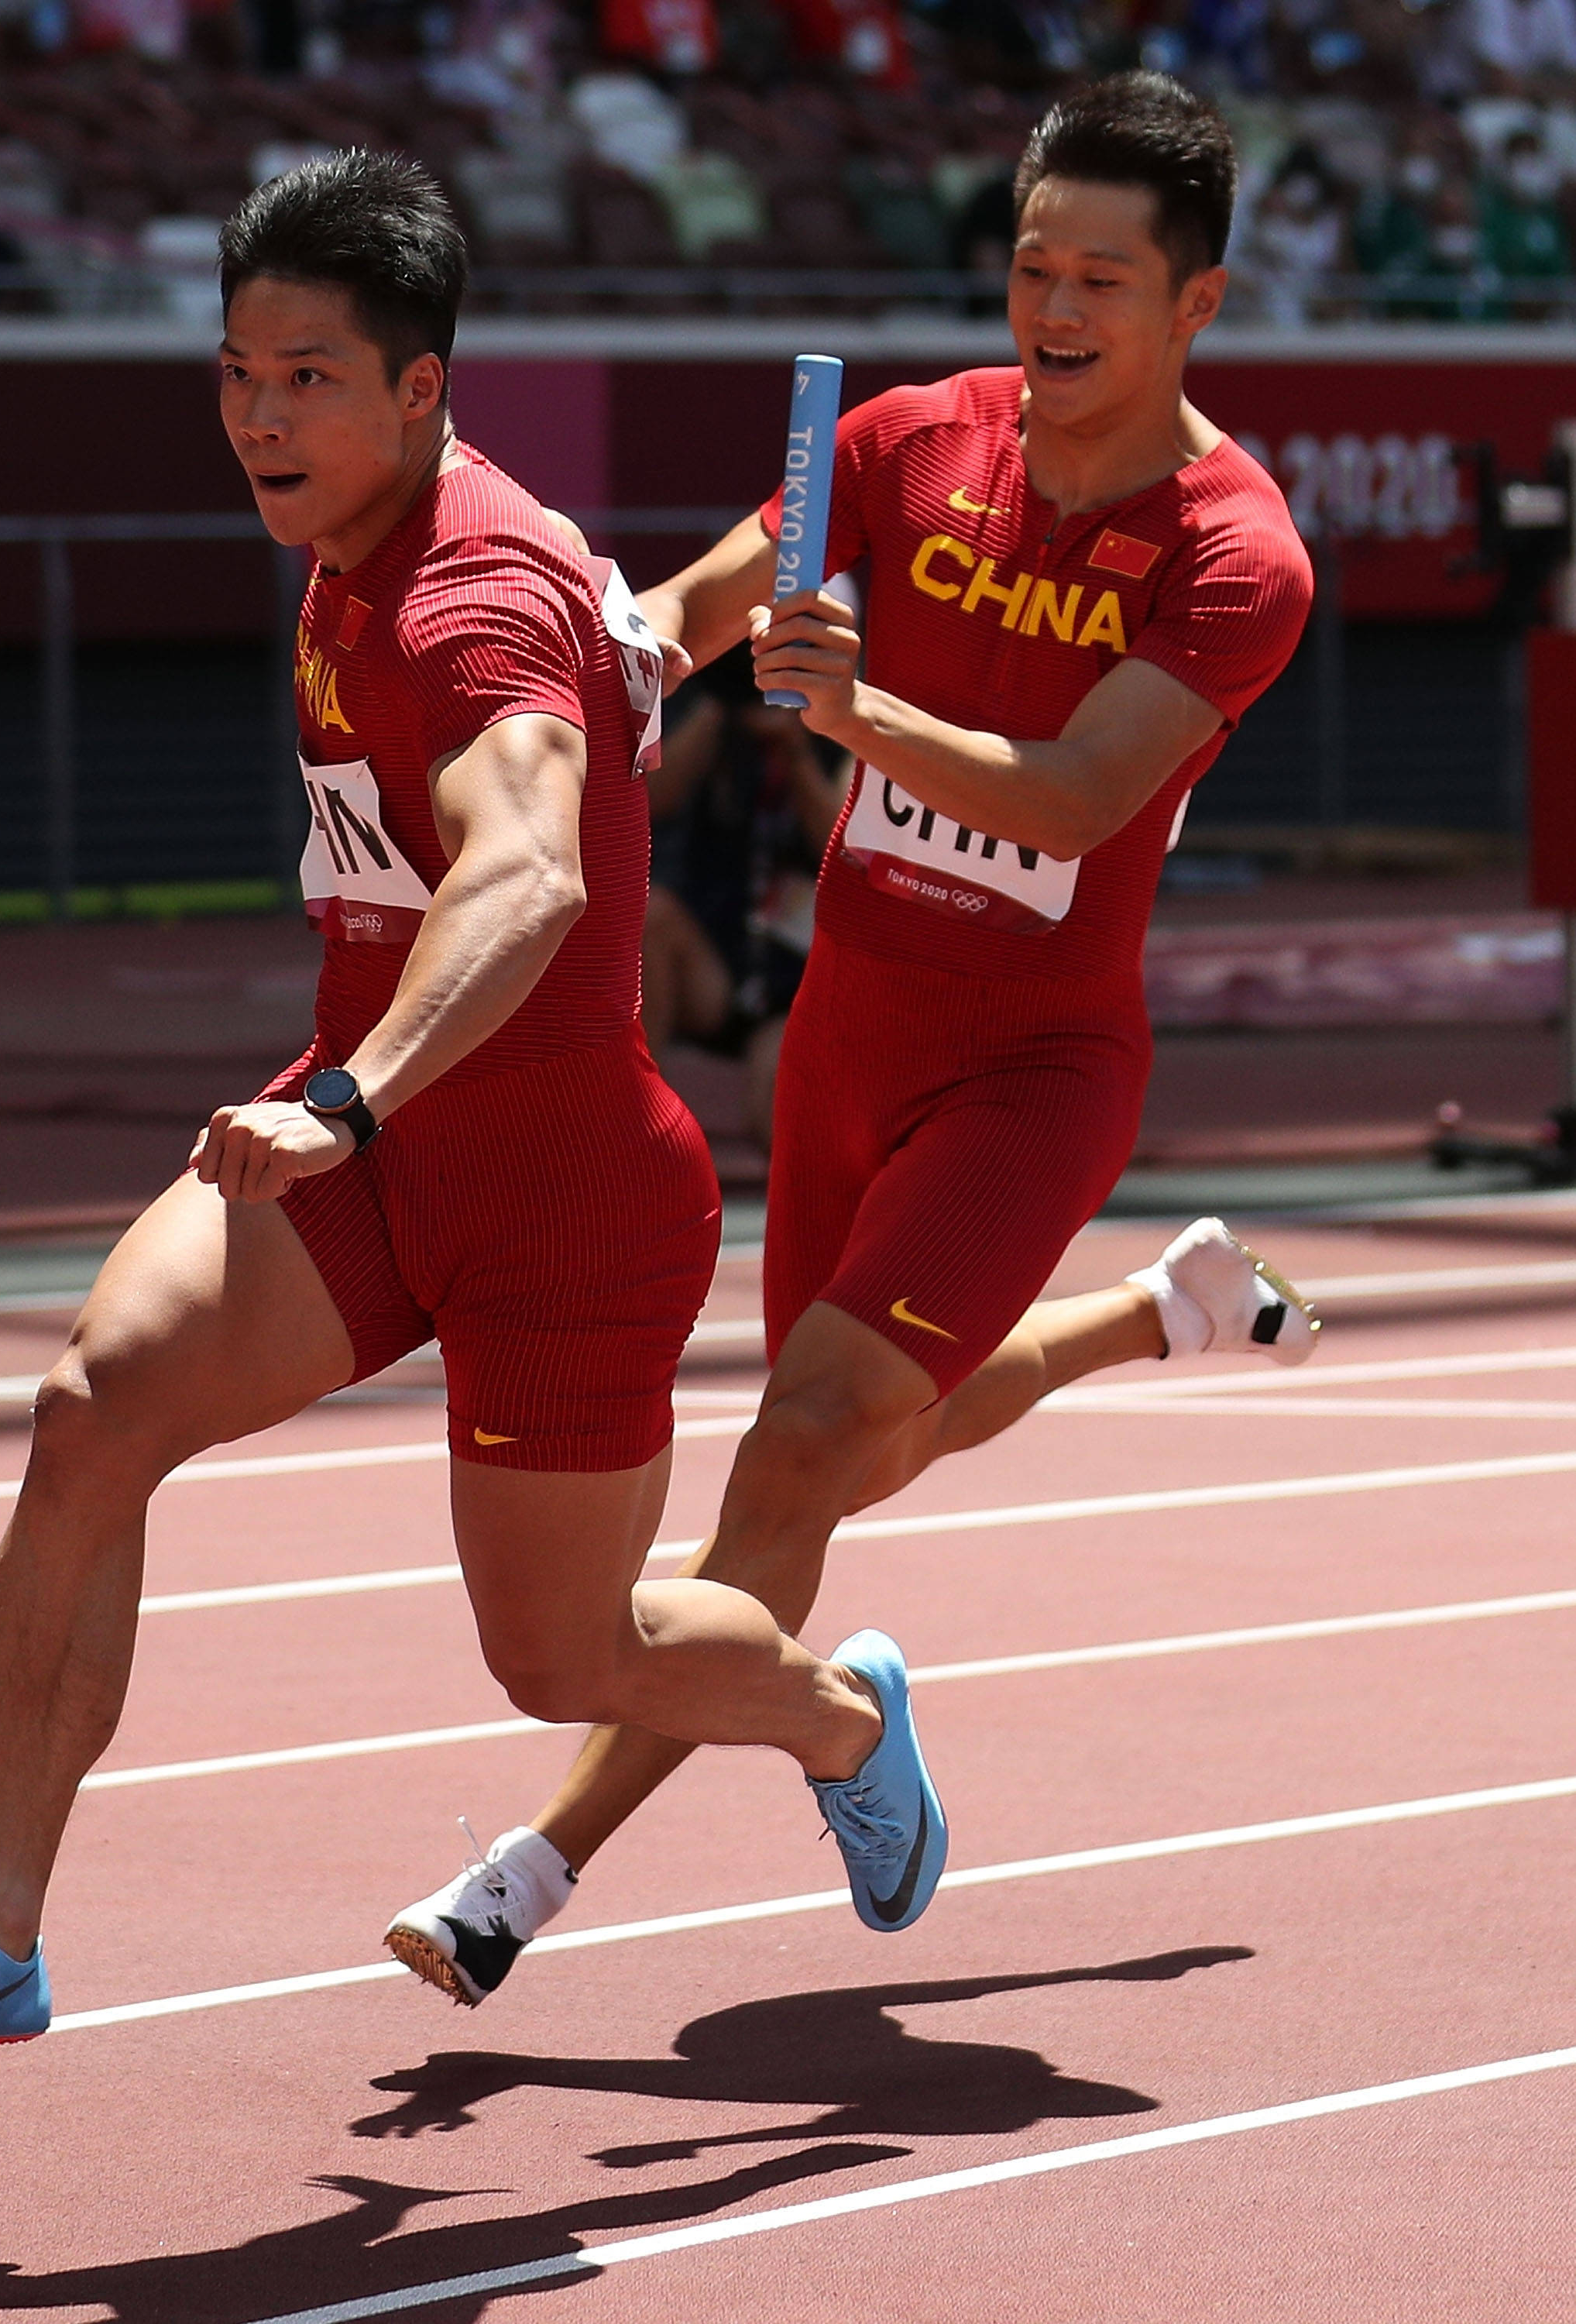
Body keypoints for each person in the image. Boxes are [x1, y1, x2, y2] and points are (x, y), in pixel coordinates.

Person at [0, 150, 943, 2075]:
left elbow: (527, 879)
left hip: (553, 1194)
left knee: (560, 1660)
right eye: (237, 369)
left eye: (306, 375)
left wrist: (349, 1095)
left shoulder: (468, 597)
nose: (256, 413)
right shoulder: (396, 540)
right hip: (363, 1153)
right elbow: (578, 690)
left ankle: (837, 1714)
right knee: (93, 1410)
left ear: (422, 388)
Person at [386, 71, 1319, 2009]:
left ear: (1196, 307)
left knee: (802, 1447)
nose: (1049, 310)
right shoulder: (907, 441)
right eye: (1028, 264)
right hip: (852, 1027)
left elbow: (1069, 799)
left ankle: (533, 1867)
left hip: (1033, 1069)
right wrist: (604, 672)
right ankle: (1156, 1312)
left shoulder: (1236, 551)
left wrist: (853, 709)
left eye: (1100, 282)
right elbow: (716, 592)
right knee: (849, 1455)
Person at [643, 645, 850, 1147]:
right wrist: (722, 701)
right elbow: (648, 801)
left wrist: (796, 752)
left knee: (777, 1093)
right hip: (715, 963)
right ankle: (630, 1111)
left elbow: (844, 855)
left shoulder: (844, 731)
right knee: (653, 915)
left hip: (792, 983)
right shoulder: (704, 709)